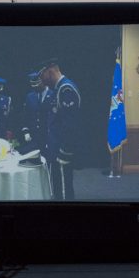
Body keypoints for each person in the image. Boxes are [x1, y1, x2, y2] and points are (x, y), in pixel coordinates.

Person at [37, 59, 81, 200]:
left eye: (41, 76)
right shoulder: (58, 88)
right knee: (57, 185)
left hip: (62, 149)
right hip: (55, 147)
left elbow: (71, 124)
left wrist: (65, 150)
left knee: (63, 190)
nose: (41, 80)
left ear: (50, 71)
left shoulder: (66, 89)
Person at [19, 71, 49, 155]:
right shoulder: (30, 96)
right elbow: (26, 116)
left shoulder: (53, 94)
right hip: (34, 137)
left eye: (37, 85)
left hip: (48, 136)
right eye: (33, 85)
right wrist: (26, 131)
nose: (35, 88)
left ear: (43, 81)